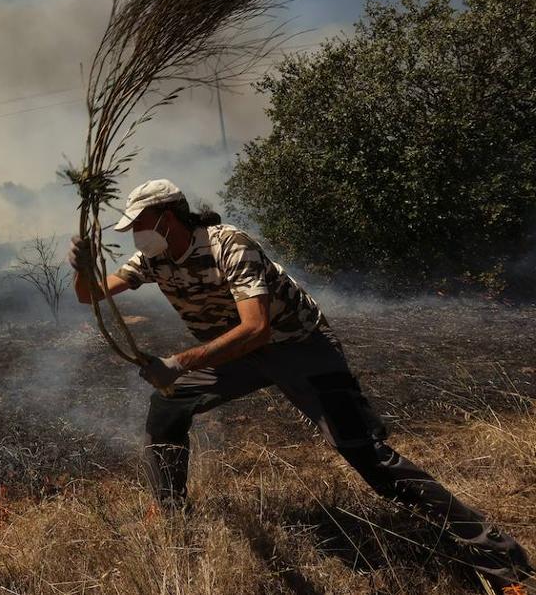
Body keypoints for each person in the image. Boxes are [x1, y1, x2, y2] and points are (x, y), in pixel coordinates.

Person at [68, 178, 532, 593]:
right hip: (234, 355)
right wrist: (83, 268)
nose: (134, 235)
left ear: (169, 219)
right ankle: (172, 518)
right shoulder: (153, 258)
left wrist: (179, 362)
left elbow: (256, 329)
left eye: (141, 224)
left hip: (300, 347)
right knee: (167, 409)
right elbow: (91, 295)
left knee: (366, 454)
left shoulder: (229, 244)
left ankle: (497, 554)